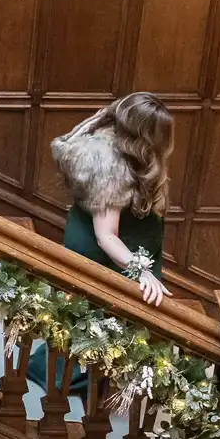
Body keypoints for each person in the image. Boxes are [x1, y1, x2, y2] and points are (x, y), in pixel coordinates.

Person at [26, 93, 174, 386]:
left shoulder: (121, 146)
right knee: (87, 328)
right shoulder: (108, 165)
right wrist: (140, 270)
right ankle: (65, 376)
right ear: (144, 135)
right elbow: (106, 236)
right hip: (104, 252)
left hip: (122, 243)